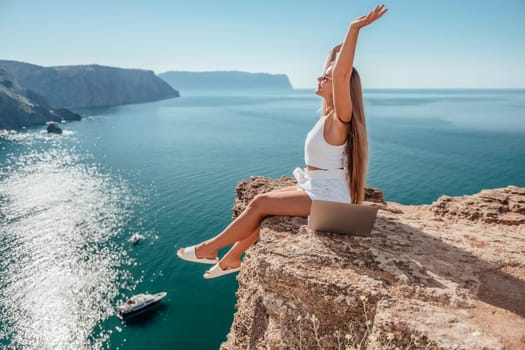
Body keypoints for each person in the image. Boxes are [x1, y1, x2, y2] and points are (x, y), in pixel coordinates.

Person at [177, 5, 388, 279]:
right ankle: (231, 258)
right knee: (261, 207)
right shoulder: (328, 113)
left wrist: (353, 30)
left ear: (338, 87)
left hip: (329, 196)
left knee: (261, 202)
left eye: (325, 77)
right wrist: (331, 53)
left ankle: (209, 248)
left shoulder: (340, 120)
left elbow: (340, 75)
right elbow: (333, 73)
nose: (319, 77)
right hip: (318, 186)